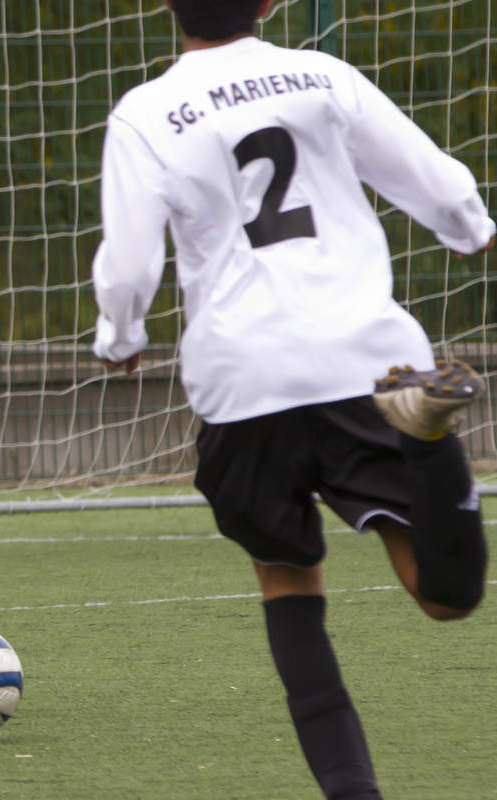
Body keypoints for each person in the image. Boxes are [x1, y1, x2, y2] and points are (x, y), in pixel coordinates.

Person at [90, 2, 494, 798]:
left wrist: (119, 338)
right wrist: (471, 226)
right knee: (445, 599)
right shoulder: (322, 75)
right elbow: (433, 176)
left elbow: (131, 264)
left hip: (245, 382)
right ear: (270, 3)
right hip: (369, 360)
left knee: (286, 575)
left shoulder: (144, 113)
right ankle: (428, 444)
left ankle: (354, 792)